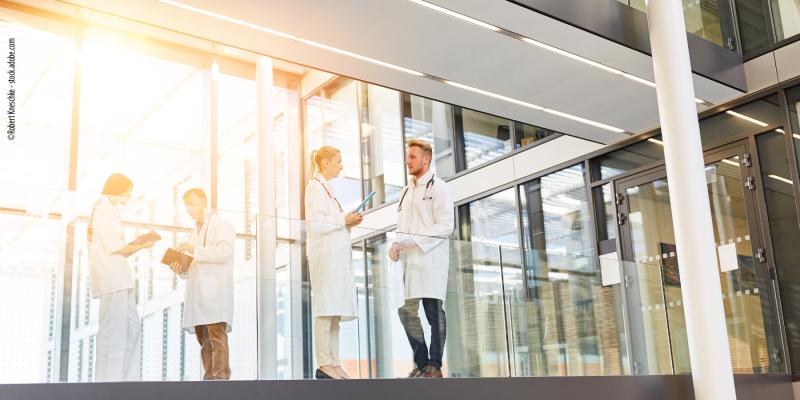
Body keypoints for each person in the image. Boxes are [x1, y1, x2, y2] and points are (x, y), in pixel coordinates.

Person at [389, 139, 454, 379]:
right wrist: (395, 245)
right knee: (406, 311)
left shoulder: (439, 187)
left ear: (426, 159)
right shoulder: (406, 191)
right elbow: (401, 225)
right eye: (407, 157)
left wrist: (416, 242)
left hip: (431, 259)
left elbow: (446, 225)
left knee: (433, 312)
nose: (408, 161)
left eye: (413, 157)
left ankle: (434, 367)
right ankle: (421, 362)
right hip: (410, 262)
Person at [89, 173, 155, 382]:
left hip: (120, 279)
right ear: (118, 189)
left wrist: (139, 244)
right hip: (112, 279)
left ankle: (128, 380)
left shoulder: (110, 211)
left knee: (131, 328)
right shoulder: (102, 210)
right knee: (113, 333)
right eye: (128, 192)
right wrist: (142, 244)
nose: (129, 196)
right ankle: (109, 382)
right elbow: (116, 248)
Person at [304, 146, 363, 379]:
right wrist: (342, 219)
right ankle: (324, 362)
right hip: (325, 260)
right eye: (338, 161)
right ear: (325, 162)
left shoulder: (327, 191)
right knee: (325, 311)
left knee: (335, 312)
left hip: (335, 260)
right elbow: (316, 224)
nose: (341, 166)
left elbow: (332, 223)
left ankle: (334, 362)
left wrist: (347, 222)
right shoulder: (314, 188)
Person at [169, 188, 236, 381]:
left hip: (215, 291)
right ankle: (209, 379)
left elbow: (224, 252)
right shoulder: (194, 232)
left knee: (216, 335)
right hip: (198, 292)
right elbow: (193, 263)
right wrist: (180, 267)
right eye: (187, 205)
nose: (189, 209)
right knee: (203, 339)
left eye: (193, 203)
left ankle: (221, 378)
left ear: (204, 202)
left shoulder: (222, 225)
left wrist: (194, 249)